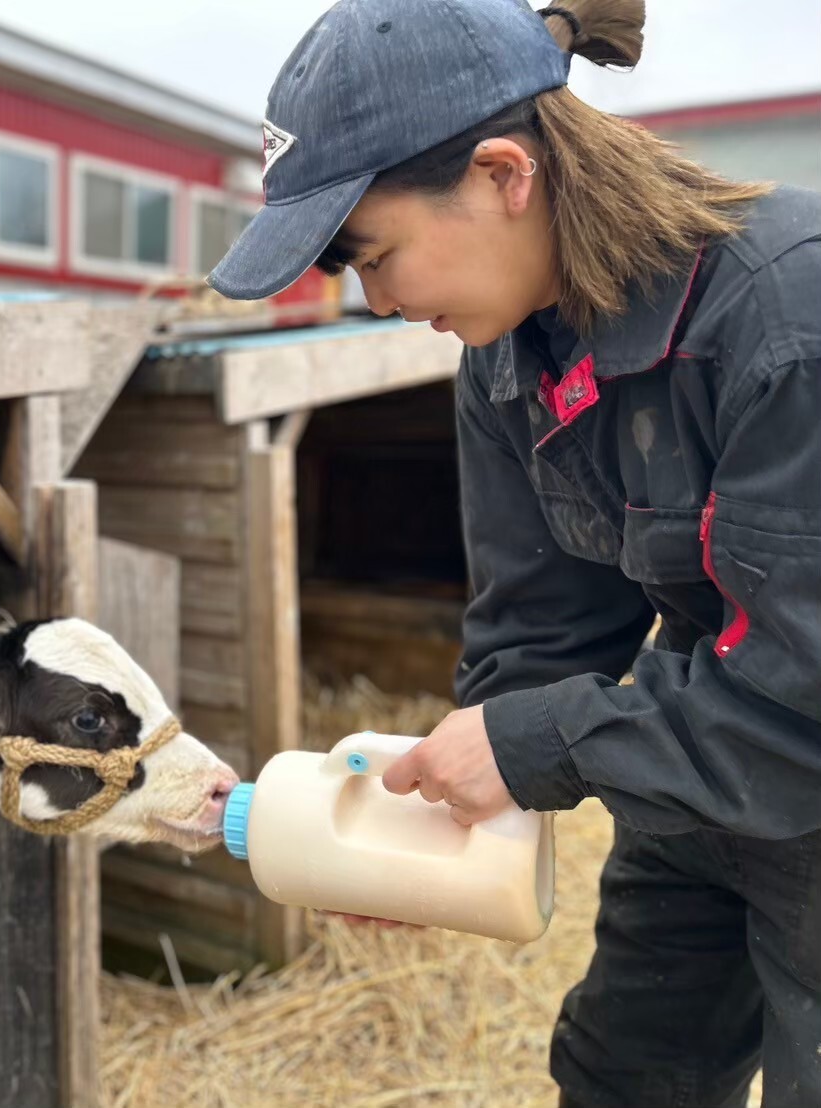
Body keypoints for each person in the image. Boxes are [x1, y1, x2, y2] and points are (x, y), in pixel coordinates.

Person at [207, 0, 821, 1104]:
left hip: (792, 743)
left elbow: (802, 693)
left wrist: (546, 742)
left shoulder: (787, 318)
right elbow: (538, 628)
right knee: (624, 1070)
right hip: (710, 772)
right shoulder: (506, 363)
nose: (376, 301)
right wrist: (419, 830)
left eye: (373, 253)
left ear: (503, 174)